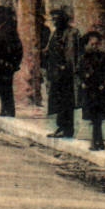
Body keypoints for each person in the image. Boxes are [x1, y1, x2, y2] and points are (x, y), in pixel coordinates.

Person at [78, 29, 105, 151]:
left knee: (97, 118)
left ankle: (96, 141)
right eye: (92, 44)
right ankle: (97, 140)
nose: (94, 47)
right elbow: (78, 73)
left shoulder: (104, 57)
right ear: (86, 44)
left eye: (96, 44)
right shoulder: (83, 58)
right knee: (93, 118)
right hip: (88, 90)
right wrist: (82, 82)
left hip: (100, 91)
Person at [43, 8, 79, 137]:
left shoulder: (72, 33)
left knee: (66, 102)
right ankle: (60, 126)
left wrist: (67, 69)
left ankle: (67, 128)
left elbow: (71, 54)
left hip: (66, 74)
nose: (54, 21)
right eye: (53, 19)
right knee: (57, 101)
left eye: (57, 19)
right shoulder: (55, 33)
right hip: (54, 72)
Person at [0, 6, 22, 117]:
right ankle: (3, 109)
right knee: (0, 87)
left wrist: (13, 63)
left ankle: (10, 110)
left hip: (6, 62)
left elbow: (16, 47)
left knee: (6, 87)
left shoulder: (9, 29)